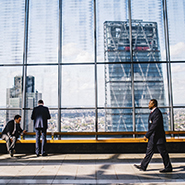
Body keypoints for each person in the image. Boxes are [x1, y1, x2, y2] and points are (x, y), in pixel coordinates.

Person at [134, 99, 172, 173]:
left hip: (158, 138)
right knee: (149, 152)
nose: (148, 105)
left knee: (163, 153)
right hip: (153, 138)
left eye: (149, 104)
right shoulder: (153, 112)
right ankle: (143, 166)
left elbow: (154, 126)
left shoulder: (157, 113)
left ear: (153, 104)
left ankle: (168, 167)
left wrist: (147, 135)